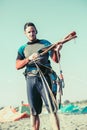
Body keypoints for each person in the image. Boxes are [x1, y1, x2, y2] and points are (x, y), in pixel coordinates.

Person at [16, 22, 62, 130]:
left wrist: (56, 51)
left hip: (45, 78)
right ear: (25, 33)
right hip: (31, 80)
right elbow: (17, 65)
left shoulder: (45, 43)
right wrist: (29, 59)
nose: (31, 33)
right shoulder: (23, 48)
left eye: (33, 31)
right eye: (29, 32)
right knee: (34, 112)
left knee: (52, 109)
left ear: (36, 31)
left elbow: (56, 59)